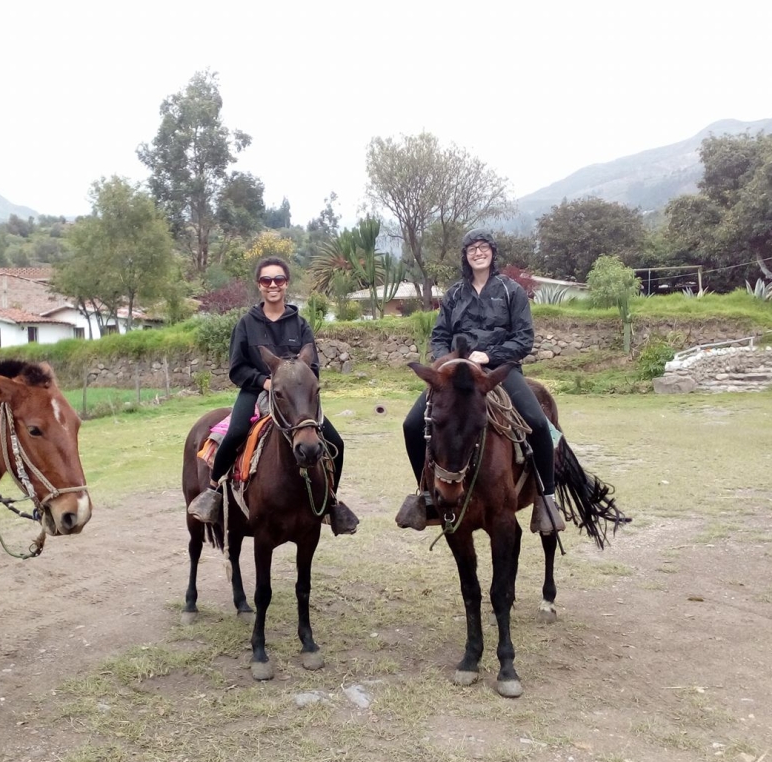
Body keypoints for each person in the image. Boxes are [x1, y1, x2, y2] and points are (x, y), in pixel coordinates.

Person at [395, 228, 566, 534]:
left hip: (499, 370)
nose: (478, 252)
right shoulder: (454, 294)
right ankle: (426, 494)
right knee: (411, 425)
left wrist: (489, 356)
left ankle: (547, 499)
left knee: (539, 424)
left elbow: (524, 338)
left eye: (483, 247)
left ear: (492, 252)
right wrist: (446, 361)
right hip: (455, 374)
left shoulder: (511, 290)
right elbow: (439, 336)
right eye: (472, 248)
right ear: (465, 255)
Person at [187, 256, 359, 534]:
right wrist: (263, 382)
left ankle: (331, 503)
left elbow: (312, 367)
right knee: (235, 433)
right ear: (259, 286)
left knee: (336, 441)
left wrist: (298, 387)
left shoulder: (300, 324)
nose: (273, 285)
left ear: (286, 283)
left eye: (278, 279)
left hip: (296, 399)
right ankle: (213, 491)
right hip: (257, 391)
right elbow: (237, 368)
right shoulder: (246, 324)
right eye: (266, 280)